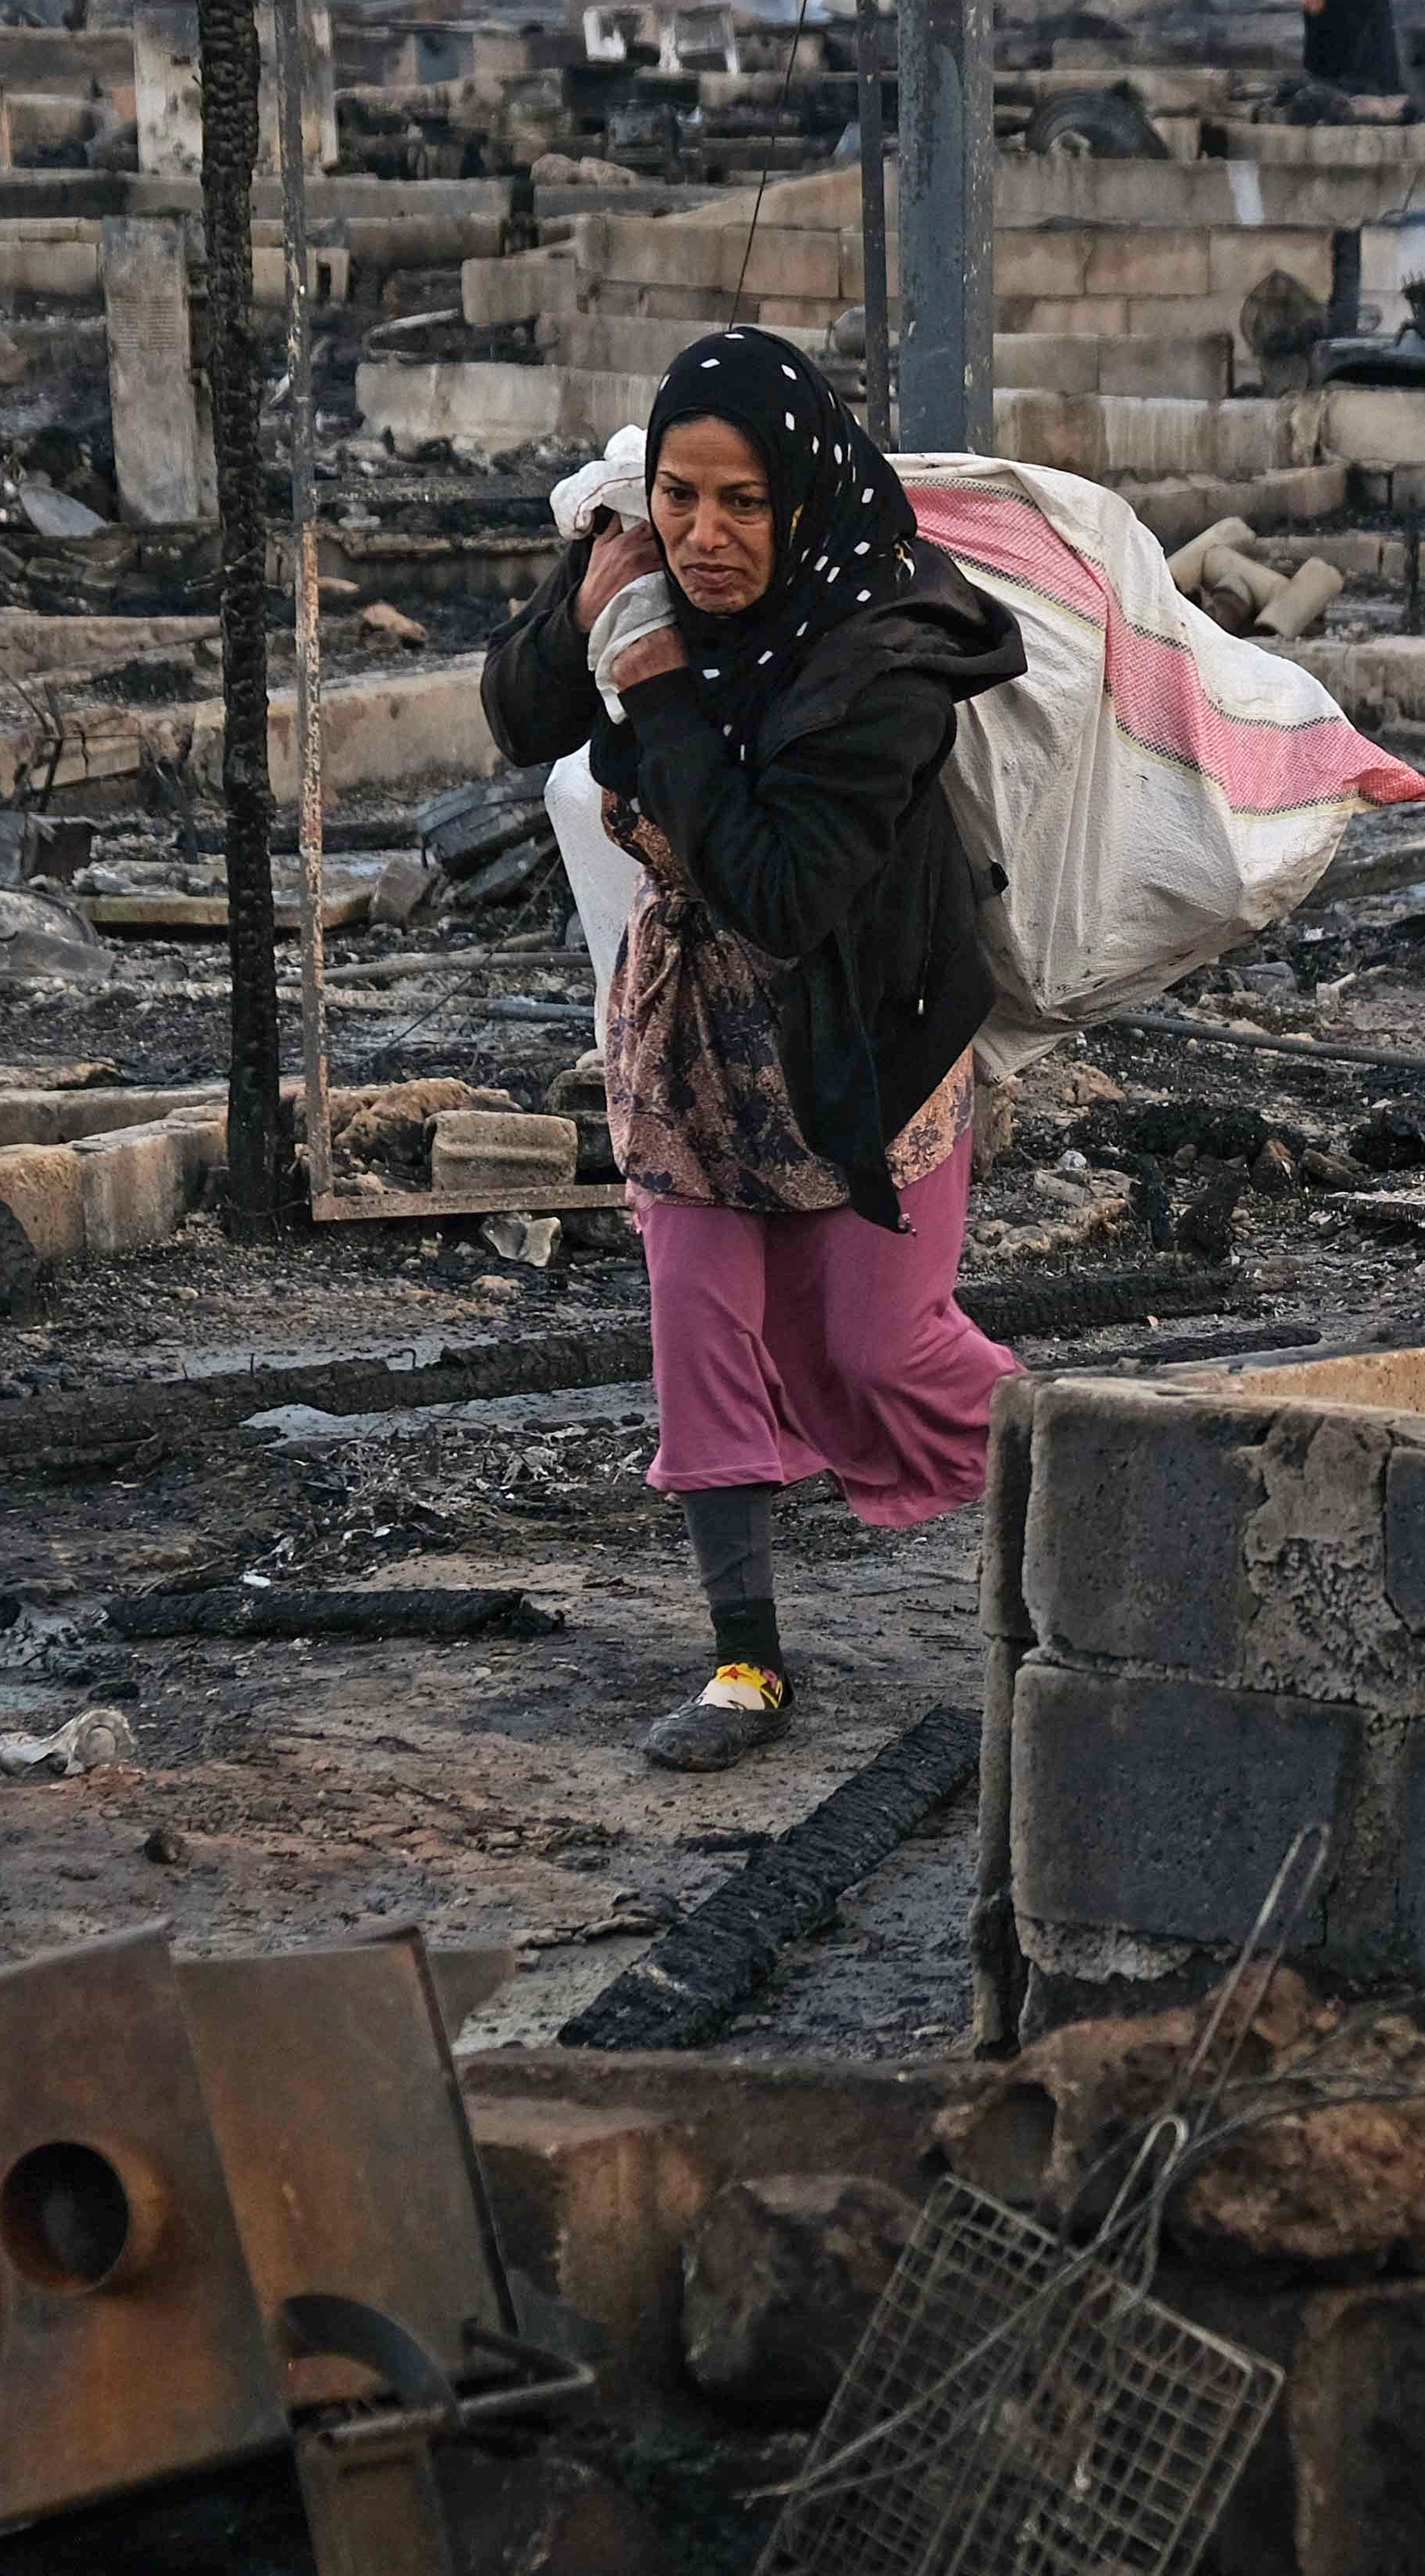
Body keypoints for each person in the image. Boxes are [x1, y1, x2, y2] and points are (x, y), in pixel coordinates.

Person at [481, 330, 1029, 1770]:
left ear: (799, 500)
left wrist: (655, 680)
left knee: (872, 1343)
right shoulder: (647, 569)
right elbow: (521, 712)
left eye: (741, 504)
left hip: (863, 1023)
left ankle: (1110, 1496)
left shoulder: (885, 660)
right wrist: (585, 608)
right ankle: (745, 1659)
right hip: (690, 1029)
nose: (705, 536)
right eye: (678, 495)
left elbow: (781, 888)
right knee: (700, 1320)